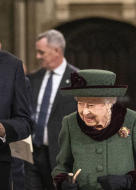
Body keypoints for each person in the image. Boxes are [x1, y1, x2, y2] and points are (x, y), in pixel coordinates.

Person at [52, 69, 136, 190]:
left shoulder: (133, 121)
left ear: (109, 103)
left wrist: (128, 181)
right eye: (80, 103)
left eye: (91, 105)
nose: (84, 112)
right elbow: (61, 168)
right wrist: (63, 182)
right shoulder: (70, 123)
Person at [26, 29, 78, 189]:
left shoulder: (78, 79)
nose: (37, 57)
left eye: (41, 52)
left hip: (61, 156)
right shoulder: (33, 78)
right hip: (32, 155)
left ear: (56, 50)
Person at [0, 50, 33, 190]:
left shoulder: (18, 76)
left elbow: (24, 119)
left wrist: (3, 128)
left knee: (19, 172)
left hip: (14, 142)